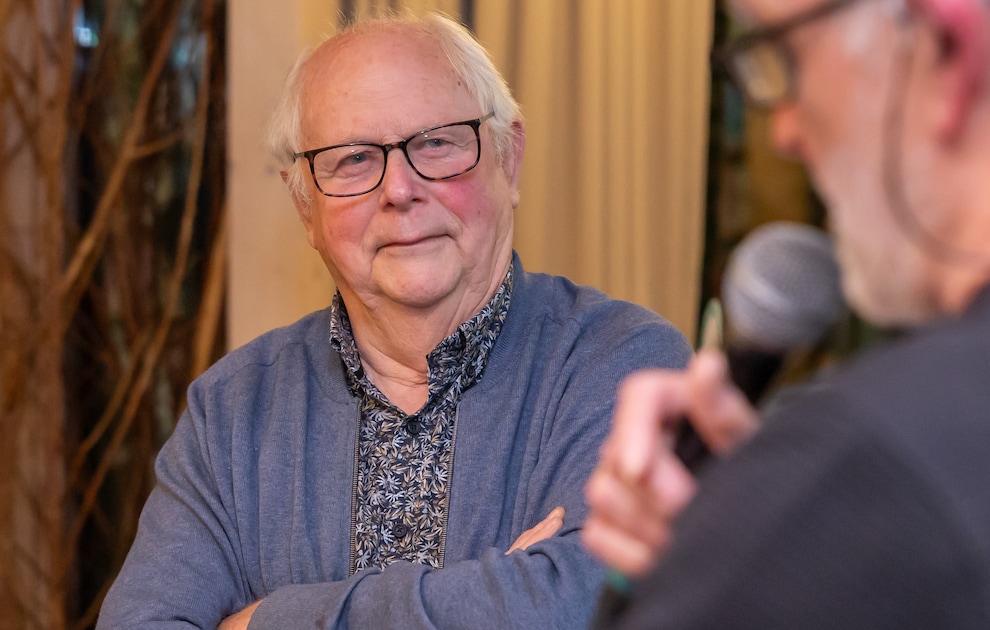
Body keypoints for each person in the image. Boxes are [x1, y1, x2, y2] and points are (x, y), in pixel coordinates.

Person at [584, 0, 990, 627]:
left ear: (945, 50)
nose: (783, 131)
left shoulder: (883, 473)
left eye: (788, 58)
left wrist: (761, 542)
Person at [98, 12, 691, 630]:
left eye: (435, 143)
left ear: (509, 159)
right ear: (305, 206)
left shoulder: (626, 367)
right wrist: (501, 593)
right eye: (353, 159)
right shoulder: (232, 411)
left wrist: (264, 620)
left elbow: (578, 606)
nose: (399, 190)